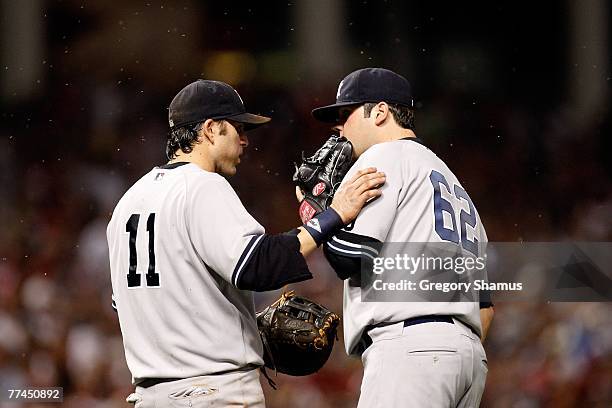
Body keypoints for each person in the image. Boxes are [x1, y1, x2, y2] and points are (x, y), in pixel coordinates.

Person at [106, 79, 386, 407]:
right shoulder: (202, 185)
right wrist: (333, 216)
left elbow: (123, 304)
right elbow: (258, 266)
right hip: (213, 392)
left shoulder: (127, 202)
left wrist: (226, 325)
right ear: (210, 129)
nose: (244, 141)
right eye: (237, 128)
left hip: (151, 396)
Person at [310, 68, 494, 407]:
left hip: (413, 350)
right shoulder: (450, 181)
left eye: (345, 113)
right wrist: (450, 341)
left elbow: (350, 257)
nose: (339, 126)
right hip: (468, 359)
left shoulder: (385, 156)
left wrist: (319, 214)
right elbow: (485, 307)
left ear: (380, 112)